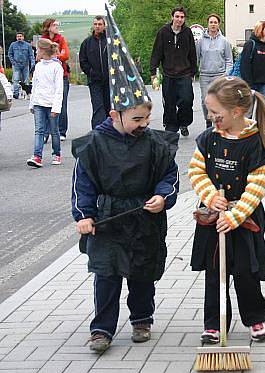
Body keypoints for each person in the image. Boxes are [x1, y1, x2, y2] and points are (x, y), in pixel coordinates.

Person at [71, 6, 179, 353]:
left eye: (147, 117)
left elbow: (169, 176)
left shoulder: (154, 143)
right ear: (115, 114)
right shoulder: (94, 145)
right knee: (106, 276)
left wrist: (163, 196)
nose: (144, 124)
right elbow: (83, 184)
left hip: (144, 217)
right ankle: (102, 328)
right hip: (109, 217)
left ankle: (141, 318)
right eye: (137, 118)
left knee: (142, 272)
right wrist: (84, 215)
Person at [188, 76, 265, 344]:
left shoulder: (256, 143)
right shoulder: (208, 139)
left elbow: (258, 186)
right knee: (215, 275)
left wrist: (235, 216)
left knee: (245, 273)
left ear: (237, 112)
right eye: (208, 110)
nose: (210, 116)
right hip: (213, 219)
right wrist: (210, 196)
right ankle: (214, 324)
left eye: (215, 112)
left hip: (244, 219)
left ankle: (255, 318)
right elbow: (195, 170)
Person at [150, 6, 197, 137]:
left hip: (185, 73)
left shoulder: (187, 32)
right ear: (172, 17)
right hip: (168, 74)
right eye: (177, 16)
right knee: (169, 102)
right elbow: (156, 53)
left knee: (187, 100)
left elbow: (192, 53)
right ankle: (171, 126)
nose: (179, 19)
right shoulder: (163, 32)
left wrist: (193, 71)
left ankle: (184, 123)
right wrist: (153, 72)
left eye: (182, 17)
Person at [27, 39, 64, 168]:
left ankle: (56, 153)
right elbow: (35, 86)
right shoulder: (38, 66)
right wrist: (32, 104)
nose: (36, 51)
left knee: (54, 131)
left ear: (43, 50)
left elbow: (59, 89)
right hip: (39, 103)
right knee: (39, 131)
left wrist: (56, 107)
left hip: (51, 104)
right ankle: (37, 156)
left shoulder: (56, 67)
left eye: (38, 49)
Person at [196, 13, 233, 128]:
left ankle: (219, 122)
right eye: (211, 22)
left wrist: (226, 74)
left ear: (218, 24)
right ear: (207, 24)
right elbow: (196, 58)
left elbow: (229, 60)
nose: (213, 24)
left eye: (215, 22)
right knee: (205, 101)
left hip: (220, 75)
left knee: (219, 101)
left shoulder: (224, 41)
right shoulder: (200, 41)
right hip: (205, 75)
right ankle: (208, 121)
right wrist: (193, 72)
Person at [79, 15, 111, 128]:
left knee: (109, 108)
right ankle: (97, 134)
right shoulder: (87, 43)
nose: (97, 26)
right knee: (98, 108)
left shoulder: (110, 42)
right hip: (94, 81)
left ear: (104, 26)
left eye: (100, 24)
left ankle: (110, 133)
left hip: (109, 82)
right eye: (95, 24)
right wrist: (92, 73)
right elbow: (83, 61)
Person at [42, 18, 70, 140]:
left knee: (61, 104)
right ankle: (46, 131)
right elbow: (40, 55)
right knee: (46, 104)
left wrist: (53, 56)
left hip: (61, 75)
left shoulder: (61, 39)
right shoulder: (43, 40)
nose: (56, 26)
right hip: (47, 76)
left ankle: (61, 130)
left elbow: (66, 54)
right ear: (48, 27)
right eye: (54, 25)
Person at [240, 21, 265, 105]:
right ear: (260, 30)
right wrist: (248, 85)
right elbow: (244, 66)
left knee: (264, 110)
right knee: (249, 110)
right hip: (252, 84)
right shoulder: (250, 44)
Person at [7, 32, 35, 99]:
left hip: (25, 64)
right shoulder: (13, 45)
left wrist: (32, 63)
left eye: (20, 36)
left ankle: (28, 93)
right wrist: (13, 62)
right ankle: (15, 94)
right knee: (16, 79)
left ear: (23, 37)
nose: (19, 37)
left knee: (26, 80)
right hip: (16, 64)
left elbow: (31, 55)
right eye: (18, 36)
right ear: (16, 37)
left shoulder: (28, 45)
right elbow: (10, 54)